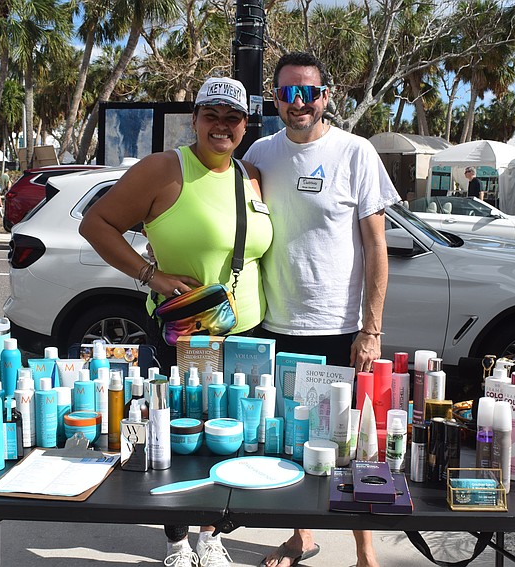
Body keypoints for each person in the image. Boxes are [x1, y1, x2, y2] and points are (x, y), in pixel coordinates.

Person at [80, 77, 273, 567]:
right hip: (186, 335)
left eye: (233, 118)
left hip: (246, 336)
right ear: (195, 120)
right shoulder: (165, 169)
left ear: (246, 125)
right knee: (180, 437)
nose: (222, 126)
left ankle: (213, 535)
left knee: (232, 436)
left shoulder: (249, 175)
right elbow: (96, 224)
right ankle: (177, 543)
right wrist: (151, 274)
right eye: (212, 115)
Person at [244, 51, 399, 567]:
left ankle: (364, 550)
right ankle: (300, 536)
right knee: (294, 438)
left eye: (309, 92)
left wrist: (370, 330)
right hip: (277, 323)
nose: (299, 102)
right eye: (288, 93)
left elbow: (376, 247)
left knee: (351, 444)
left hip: (340, 327)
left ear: (326, 96)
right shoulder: (261, 155)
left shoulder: (355, 153)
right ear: (276, 99)